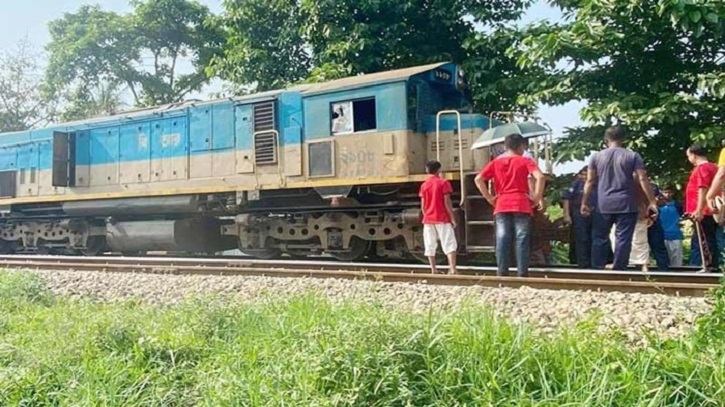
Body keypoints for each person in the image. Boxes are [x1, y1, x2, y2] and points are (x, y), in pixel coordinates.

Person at [581, 125, 658, 271]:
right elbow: (642, 178)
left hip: (603, 203)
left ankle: (597, 267)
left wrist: (584, 202)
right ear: (623, 139)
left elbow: (590, 181)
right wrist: (652, 201)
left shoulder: (596, 157)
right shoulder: (633, 156)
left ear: (605, 140)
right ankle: (619, 268)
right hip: (626, 203)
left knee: (599, 237)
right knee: (623, 238)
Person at [475, 133, 545, 277]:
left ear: (505, 146)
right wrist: (537, 197)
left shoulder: (495, 162)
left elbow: (479, 179)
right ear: (522, 146)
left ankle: (502, 271)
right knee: (522, 238)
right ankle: (522, 272)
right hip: (521, 204)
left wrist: (489, 198)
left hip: (501, 203)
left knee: (502, 237)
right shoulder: (525, 160)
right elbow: (540, 177)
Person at [418, 160, 457, 274]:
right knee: (449, 243)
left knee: (429, 244)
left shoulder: (424, 185)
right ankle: (453, 269)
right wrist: (452, 218)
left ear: (427, 170)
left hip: (428, 219)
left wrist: (427, 216)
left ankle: (433, 269)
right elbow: (447, 202)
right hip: (442, 218)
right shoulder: (443, 183)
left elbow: (423, 206)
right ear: (439, 170)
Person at [685, 143, 719, 270]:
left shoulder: (702, 168)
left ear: (694, 155)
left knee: (704, 238)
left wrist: (699, 210)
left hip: (703, 210)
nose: (689, 159)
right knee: (708, 236)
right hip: (710, 209)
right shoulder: (714, 167)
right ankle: (709, 264)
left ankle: (708, 265)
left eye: (689, 156)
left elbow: (702, 188)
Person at [562, 166, 595, 268]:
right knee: (581, 238)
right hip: (578, 213)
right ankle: (582, 263)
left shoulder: (596, 184)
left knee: (594, 238)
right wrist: (566, 215)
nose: (585, 177)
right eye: (583, 174)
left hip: (595, 213)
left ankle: (594, 263)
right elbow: (566, 198)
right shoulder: (576, 184)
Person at [659, 185, 684, 267]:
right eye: (665, 192)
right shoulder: (658, 205)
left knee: (677, 260)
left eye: (669, 192)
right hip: (661, 236)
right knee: (663, 260)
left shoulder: (678, 205)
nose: (667, 194)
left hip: (676, 235)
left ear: (672, 193)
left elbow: (685, 216)